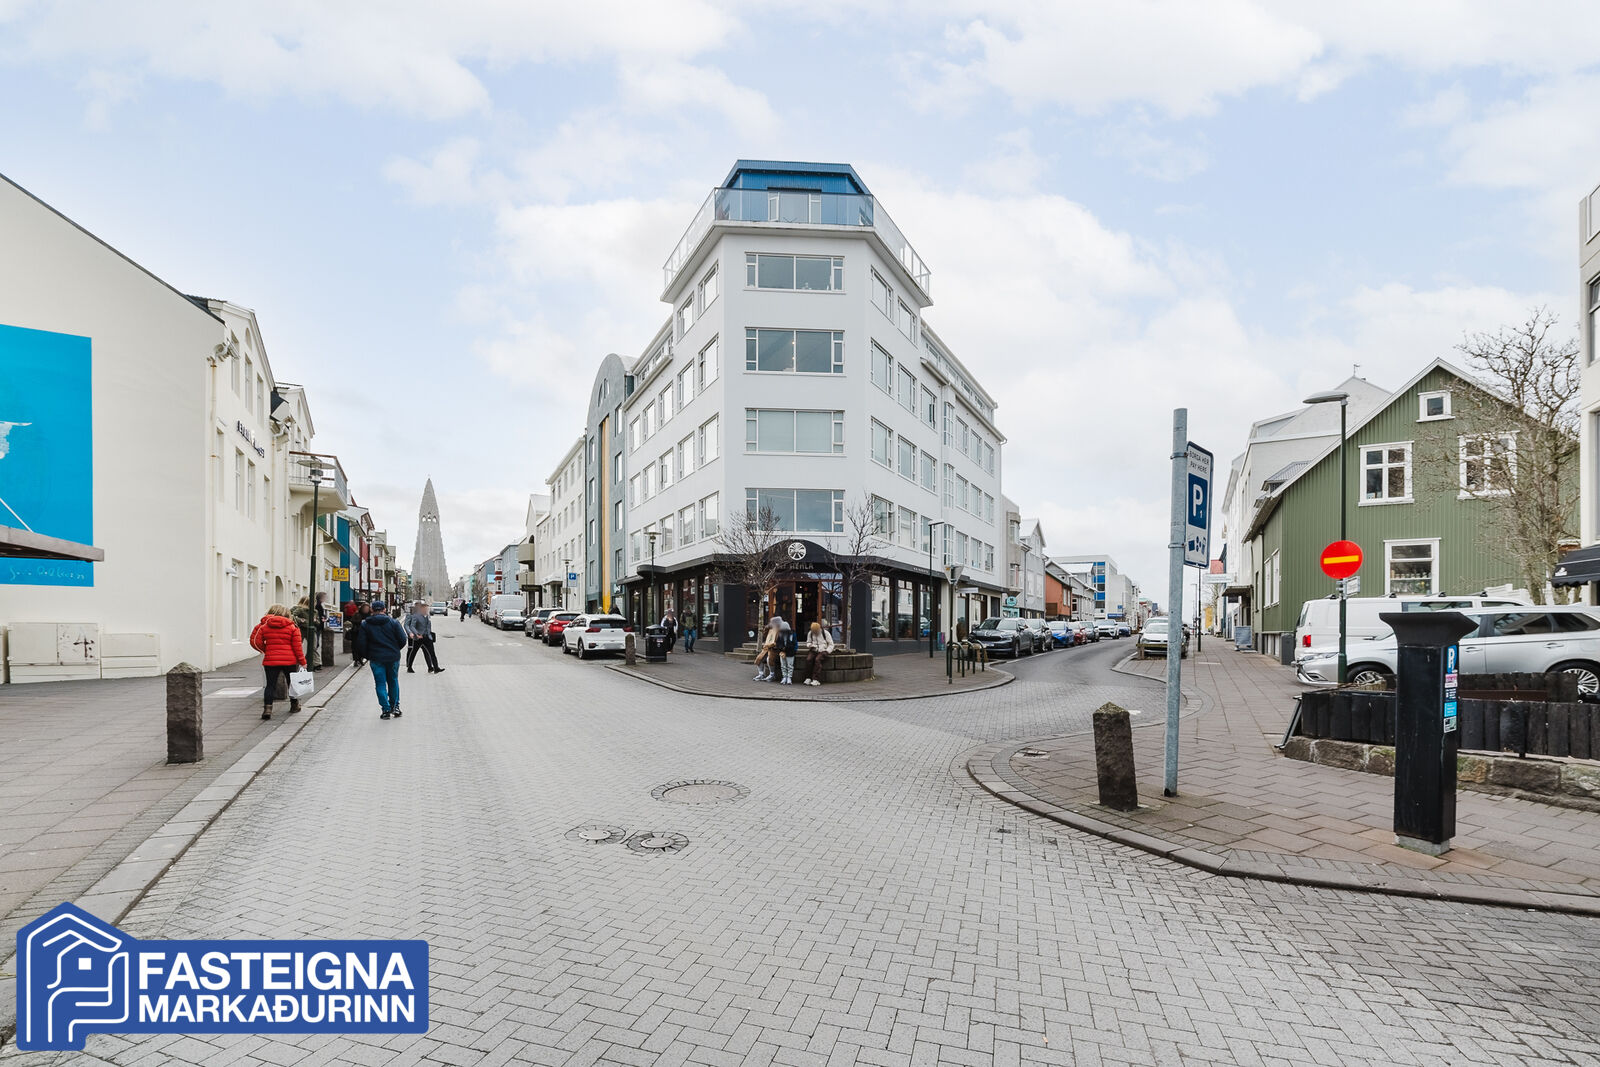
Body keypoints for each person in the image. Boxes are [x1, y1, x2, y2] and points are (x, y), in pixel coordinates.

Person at [353, 600, 408, 719]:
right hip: (392, 657)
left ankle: (386, 709)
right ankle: (395, 706)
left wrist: (369, 655)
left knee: (380, 683)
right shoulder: (394, 623)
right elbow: (403, 639)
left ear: (372, 610)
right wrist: (395, 649)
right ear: (384, 609)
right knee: (393, 681)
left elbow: (361, 643)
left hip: (376, 657)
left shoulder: (366, 624)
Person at [249, 604, 306, 720]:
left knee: (270, 685)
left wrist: (266, 650)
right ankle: (294, 705)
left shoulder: (264, 626)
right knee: (292, 684)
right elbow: (297, 647)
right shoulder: (292, 627)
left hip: (271, 660)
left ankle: (267, 709)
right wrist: (302, 661)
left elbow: (255, 641)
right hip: (289, 660)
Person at [405, 600, 444, 673]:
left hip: (427, 637)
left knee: (431, 653)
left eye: (427, 609)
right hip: (418, 637)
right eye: (425, 609)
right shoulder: (414, 615)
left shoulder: (427, 616)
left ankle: (435, 668)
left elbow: (428, 626)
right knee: (413, 652)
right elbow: (410, 626)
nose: (426, 610)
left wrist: (430, 634)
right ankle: (409, 667)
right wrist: (415, 633)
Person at [798, 621, 834, 686]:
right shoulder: (810, 633)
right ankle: (808, 678)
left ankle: (815, 679)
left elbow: (831, 644)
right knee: (808, 659)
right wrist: (810, 645)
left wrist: (827, 651)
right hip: (813, 649)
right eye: (813, 631)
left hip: (823, 650)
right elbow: (808, 642)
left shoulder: (825, 633)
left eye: (815, 631)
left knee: (817, 660)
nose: (814, 632)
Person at [290, 596, 320, 671]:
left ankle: (314, 663)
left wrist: (315, 621)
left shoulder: (315, 611)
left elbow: (318, 622)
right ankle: (296, 664)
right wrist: (300, 620)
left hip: (311, 630)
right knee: (297, 647)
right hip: (301, 629)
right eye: (314, 603)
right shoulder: (300, 609)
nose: (315, 604)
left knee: (313, 647)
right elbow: (291, 616)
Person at [752, 616, 783, 682]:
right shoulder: (770, 629)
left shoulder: (781, 631)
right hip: (767, 649)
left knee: (769, 659)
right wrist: (766, 629)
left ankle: (772, 674)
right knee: (759, 658)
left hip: (775, 650)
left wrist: (775, 645)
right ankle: (761, 674)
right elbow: (766, 636)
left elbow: (781, 642)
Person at [777, 618, 798, 685]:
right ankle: (784, 677)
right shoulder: (780, 634)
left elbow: (795, 643)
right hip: (782, 652)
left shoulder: (792, 634)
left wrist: (794, 650)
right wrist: (780, 649)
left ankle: (789, 677)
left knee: (790, 665)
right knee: (783, 665)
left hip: (790, 652)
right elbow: (778, 643)